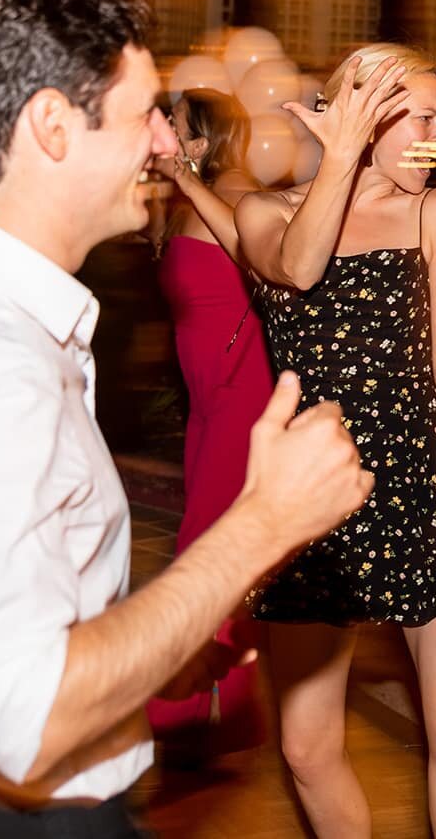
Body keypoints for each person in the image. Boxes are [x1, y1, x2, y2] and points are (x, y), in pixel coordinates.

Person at [0, 0, 371, 836]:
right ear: (51, 126)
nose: (165, 140)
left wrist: (154, 647)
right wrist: (262, 525)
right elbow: (28, 718)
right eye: (143, 111)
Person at [233, 42, 436, 839]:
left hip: (424, 488)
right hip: (312, 501)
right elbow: (302, 267)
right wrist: (340, 156)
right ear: (364, 115)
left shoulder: (435, 213)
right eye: (423, 116)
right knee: (308, 746)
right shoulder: (264, 213)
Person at [150, 87, 269, 751]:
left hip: (240, 396)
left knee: (208, 545)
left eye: (175, 125)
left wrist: (186, 183)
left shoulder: (239, 192)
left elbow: (256, 252)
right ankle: (227, 693)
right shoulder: (182, 196)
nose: (161, 132)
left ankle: (186, 701)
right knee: (213, 541)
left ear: (202, 142)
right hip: (207, 399)